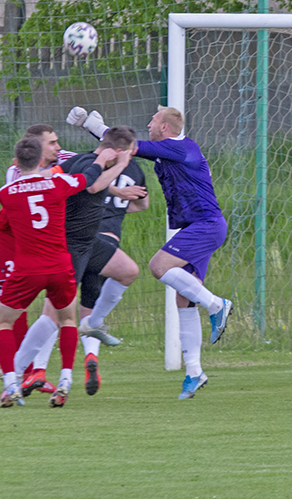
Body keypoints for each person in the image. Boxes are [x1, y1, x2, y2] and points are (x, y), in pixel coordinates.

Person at [68, 106, 232, 400]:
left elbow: (126, 147)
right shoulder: (168, 151)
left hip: (206, 225)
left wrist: (91, 124)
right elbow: (124, 149)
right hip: (199, 226)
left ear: (165, 128)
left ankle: (218, 305)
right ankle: (194, 372)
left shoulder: (179, 148)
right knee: (184, 298)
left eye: (153, 121)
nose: (148, 124)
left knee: (158, 266)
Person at [13, 127, 136, 407]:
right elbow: (92, 186)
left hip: (90, 242)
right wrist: (122, 164)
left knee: (128, 271)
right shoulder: (91, 166)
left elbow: (53, 175)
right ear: (115, 151)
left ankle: (92, 324)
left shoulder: (77, 160)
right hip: (69, 247)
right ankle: (17, 372)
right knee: (53, 316)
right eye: (129, 152)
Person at [0, 136, 115, 407]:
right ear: (41, 159)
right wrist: (102, 160)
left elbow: (5, 224)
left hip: (27, 268)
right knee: (68, 320)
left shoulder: (6, 193)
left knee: (1, 321)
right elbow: (87, 177)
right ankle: (66, 381)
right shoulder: (59, 184)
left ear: (16, 162)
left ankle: (11, 384)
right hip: (60, 265)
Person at [0, 124, 74, 398]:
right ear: (37, 151)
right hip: (8, 242)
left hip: (29, 244)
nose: (58, 147)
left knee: (9, 308)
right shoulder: (16, 174)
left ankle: (21, 373)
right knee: (4, 309)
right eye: (51, 143)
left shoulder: (57, 160)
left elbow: (83, 160)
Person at [75, 136, 149, 396]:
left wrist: (112, 199)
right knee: (91, 307)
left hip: (81, 239)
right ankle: (90, 359)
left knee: (69, 306)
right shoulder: (135, 170)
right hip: (107, 247)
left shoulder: (89, 163)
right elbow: (143, 204)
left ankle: (84, 359)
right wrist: (119, 207)